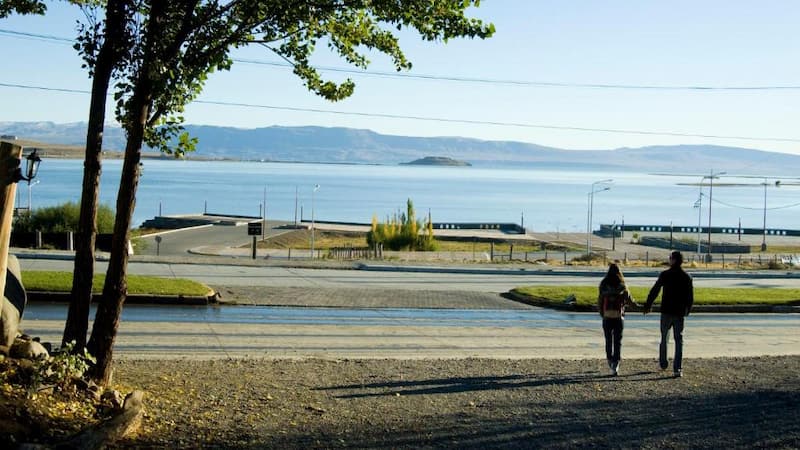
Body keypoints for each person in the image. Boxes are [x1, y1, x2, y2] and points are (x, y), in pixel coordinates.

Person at [643, 250, 694, 378]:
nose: (669, 259)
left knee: (664, 338)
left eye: (670, 258)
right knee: (679, 340)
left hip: (666, 311)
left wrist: (648, 304)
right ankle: (677, 368)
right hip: (679, 313)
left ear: (674, 260)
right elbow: (690, 297)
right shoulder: (686, 277)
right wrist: (688, 309)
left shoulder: (665, 274)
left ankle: (663, 362)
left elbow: (655, 290)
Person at [597, 262, 637, 376]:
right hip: (619, 317)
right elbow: (630, 301)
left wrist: (602, 313)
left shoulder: (603, 285)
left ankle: (609, 359)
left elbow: (600, 301)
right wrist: (642, 308)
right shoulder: (622, 286)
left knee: (608, 340)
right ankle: (616, 363)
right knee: (618, 341)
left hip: (607, 316)